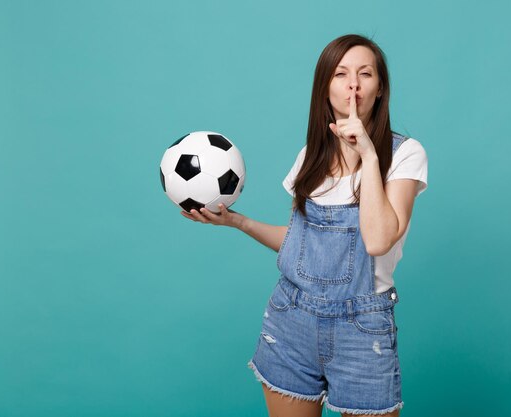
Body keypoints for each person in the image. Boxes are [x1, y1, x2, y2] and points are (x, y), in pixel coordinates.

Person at [182, 34, 428, 417]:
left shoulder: (404, 155)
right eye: (341, 74)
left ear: (380, 89)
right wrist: (237, 221)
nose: (353, 84)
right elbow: (303, 249)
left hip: (361, 330)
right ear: (325, 88)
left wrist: (367, 154)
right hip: (291, 320)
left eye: (365, 74)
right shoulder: (310, 158)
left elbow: (379, 240)